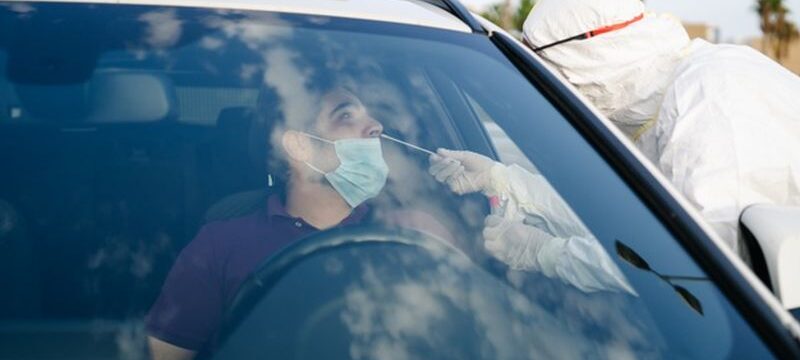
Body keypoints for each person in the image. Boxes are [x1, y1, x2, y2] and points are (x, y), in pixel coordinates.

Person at [432, 0, 800, 269]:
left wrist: (549, 255)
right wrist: (502, 180)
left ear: (592, 55)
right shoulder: (660, 110)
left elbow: (696, 265)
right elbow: (623, 215)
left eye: (560, 75)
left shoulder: (711, 97)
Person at [145, 86, 447, 359]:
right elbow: (166, 357)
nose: (376, 127)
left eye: (369, 116)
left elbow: (470, 328)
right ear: (300, 146)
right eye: (346, 115)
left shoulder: (409, 232)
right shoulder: (220, 245)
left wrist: (496, 191)